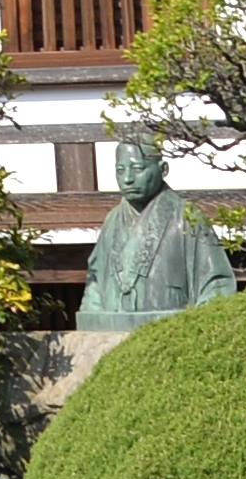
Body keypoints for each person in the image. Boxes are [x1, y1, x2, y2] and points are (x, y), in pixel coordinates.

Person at [78, 137, 235, 333]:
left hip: (170, 337)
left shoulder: (187, 217)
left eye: (138, 169)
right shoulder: (113, 220)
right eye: (120, 170)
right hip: (113, 337)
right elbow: (96, 282)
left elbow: (217, 284)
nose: (127, 179)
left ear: (163, 169)